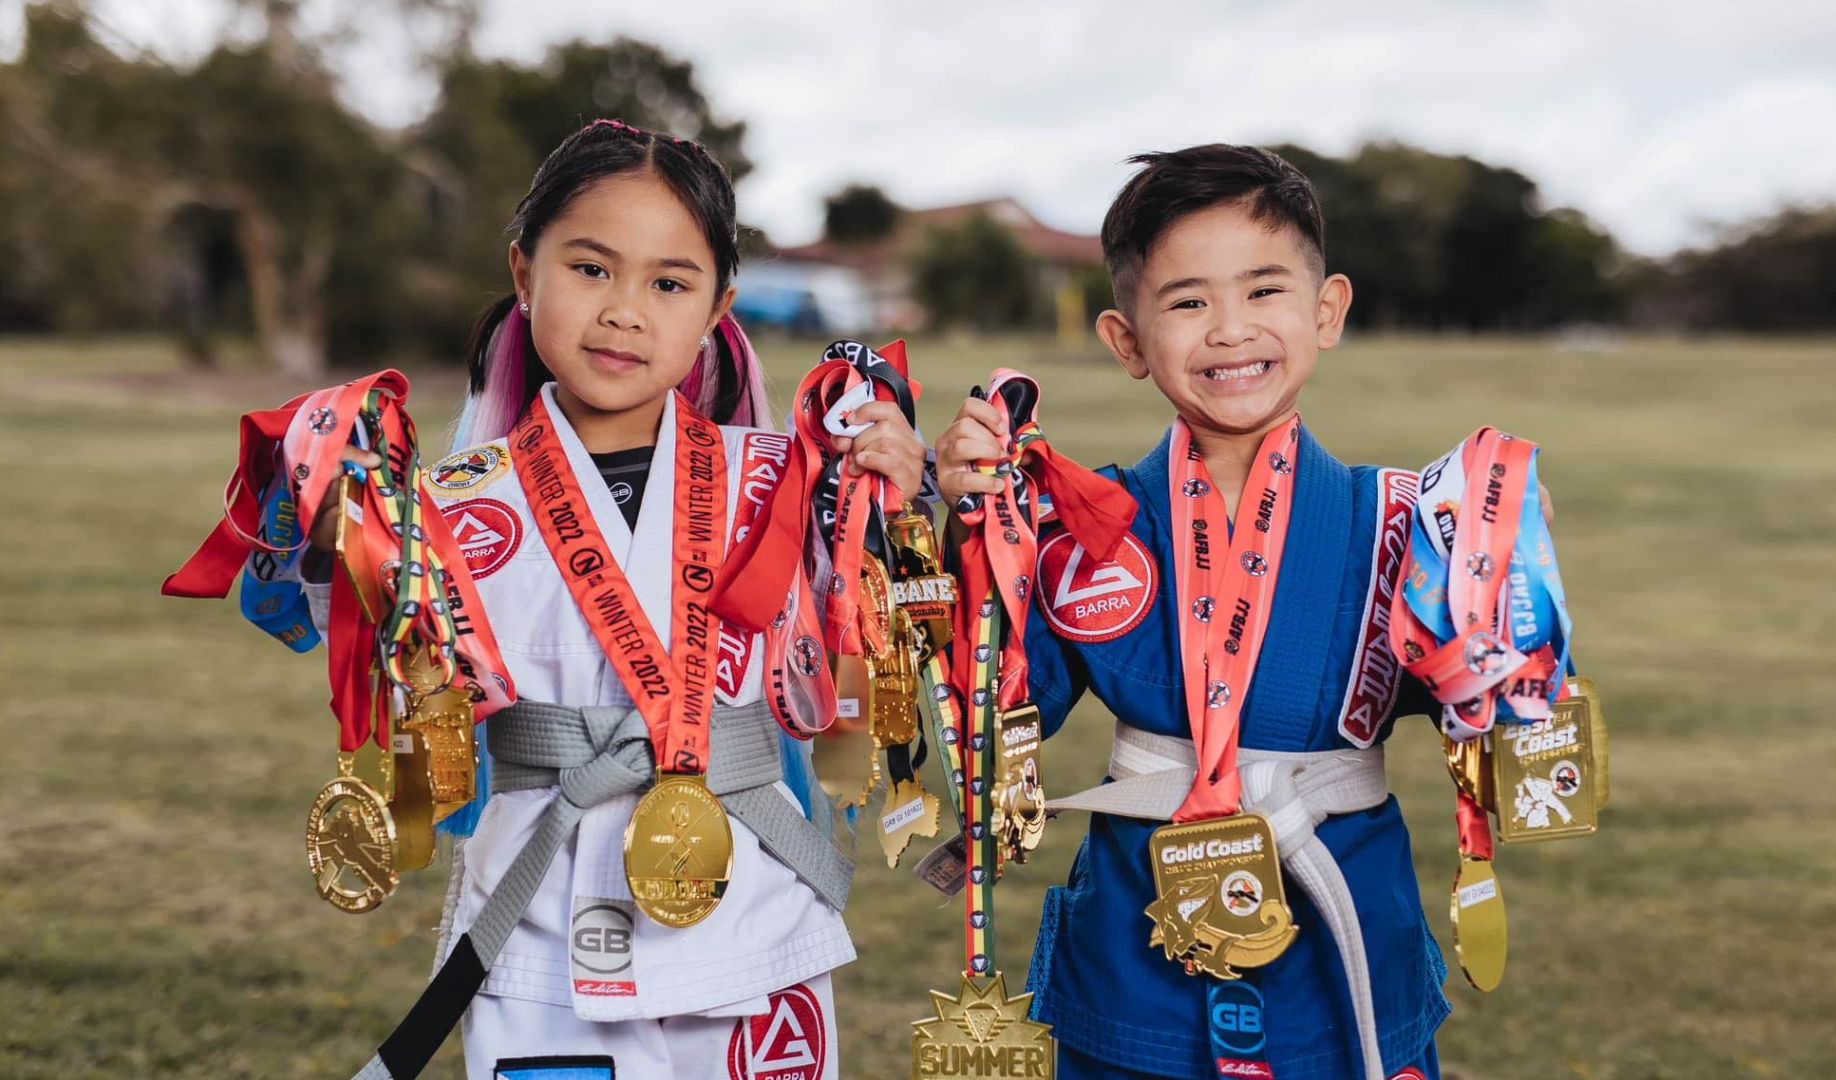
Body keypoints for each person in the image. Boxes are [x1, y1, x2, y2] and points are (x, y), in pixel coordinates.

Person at [301, 119, 926, 1080]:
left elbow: (883, 640)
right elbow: (377, 654)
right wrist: (335, 536)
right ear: (524, 273)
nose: (625, 312)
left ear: (718, 308)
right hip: (539, 920)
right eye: (591, 269)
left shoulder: (788, 480)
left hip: (751, 918)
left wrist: (900, 508)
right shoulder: (449, 501)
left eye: (669, 284)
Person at [936, 144, 1469, 1080]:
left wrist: (1505, 582)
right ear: (1128, 342)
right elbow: (998, 714)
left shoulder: (1410, 522)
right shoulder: (1080, 525)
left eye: (1264, 290)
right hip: (1133, 973)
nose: (1229, 330)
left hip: (1346, 959)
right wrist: (977, 537)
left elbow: (1491, 713)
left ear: (1327, 310)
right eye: (1187, 303)